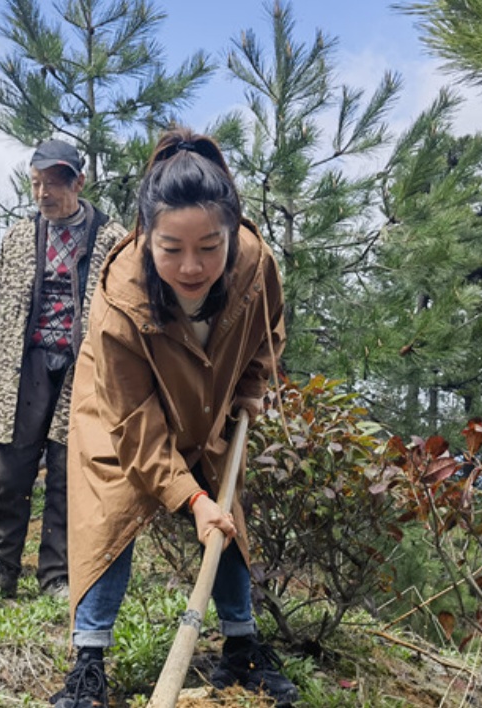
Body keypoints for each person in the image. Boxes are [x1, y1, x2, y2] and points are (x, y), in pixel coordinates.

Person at [52, 128, 298, 707]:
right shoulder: (121, 299)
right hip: (119, 407)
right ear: (145, 236)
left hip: (208, 392)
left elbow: (268, 333)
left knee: (226, 506)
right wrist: (189, 501)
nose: (192, 267)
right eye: (172, 249)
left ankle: (242, 648)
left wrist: (253, 386)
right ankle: (88, 663)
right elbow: (135, 424)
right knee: (108, 508)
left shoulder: (256, 263)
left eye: (210, 247)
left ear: (231, 235)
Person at [0, 139, 127, 602]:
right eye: (36, 184)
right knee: (9, 469)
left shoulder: (112, 239)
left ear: (79, 182)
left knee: (67, 471)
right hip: (25, 363)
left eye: (53, 183)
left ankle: (58, 574)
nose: (43, 194)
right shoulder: (19, 236)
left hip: (85, 368)